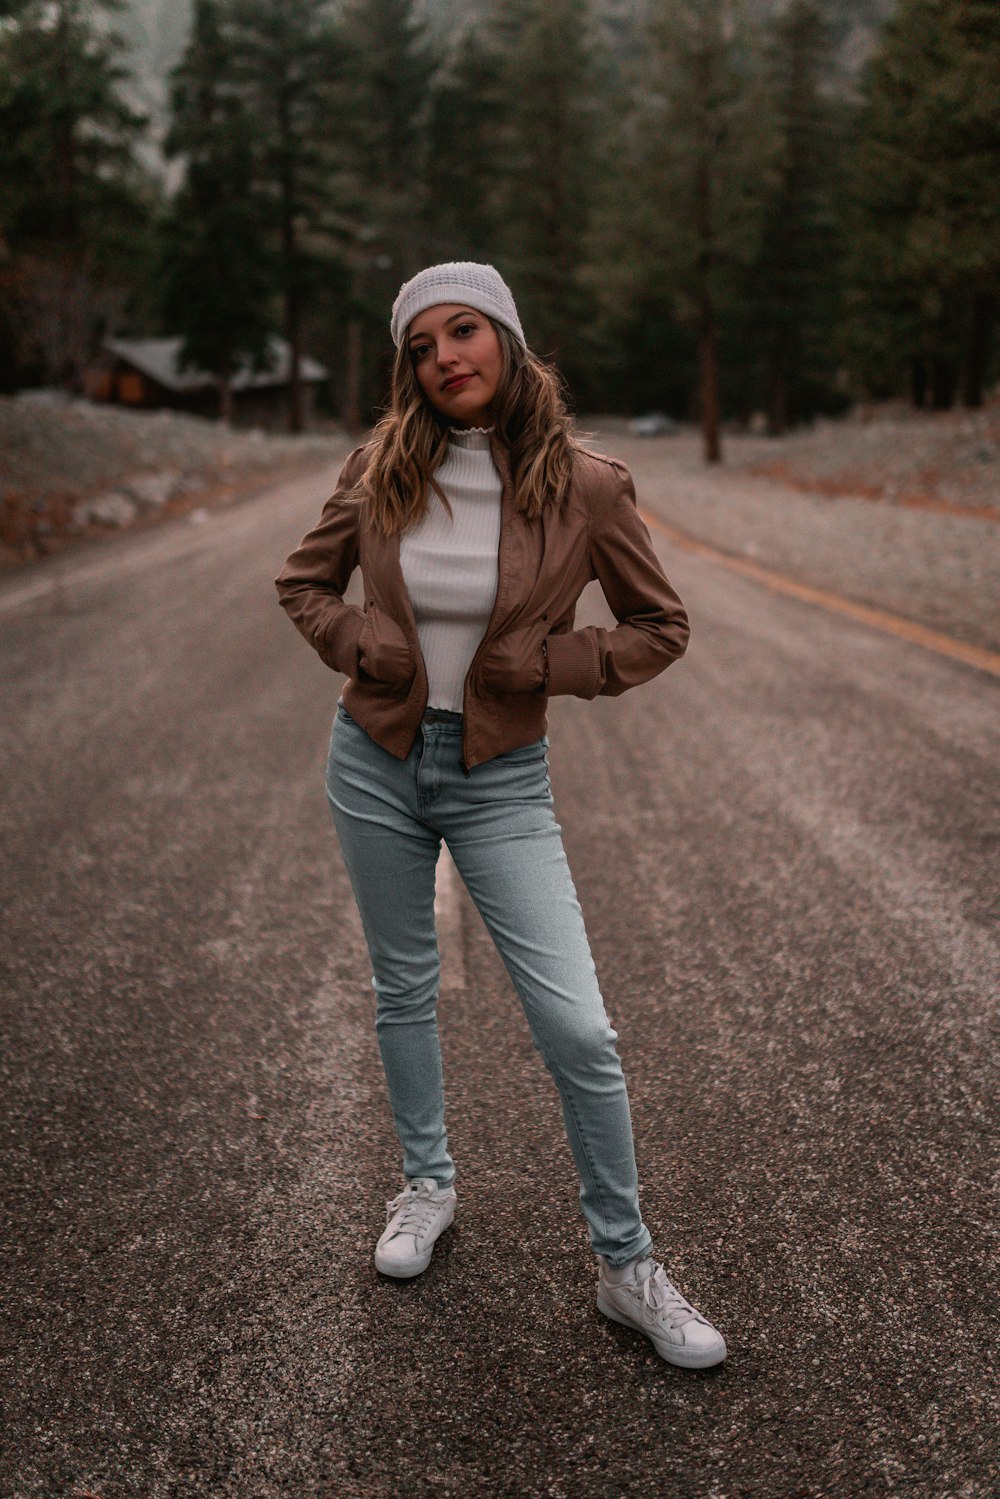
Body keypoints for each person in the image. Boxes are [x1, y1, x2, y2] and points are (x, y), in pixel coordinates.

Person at [274, 261, 727, 1370]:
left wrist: (554, 657)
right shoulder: (378, 466)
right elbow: (304, 583)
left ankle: (627, 1265)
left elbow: (658, 624)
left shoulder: (587, 484)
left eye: (464, 331)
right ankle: (426, 1183)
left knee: (579, 1025)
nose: (445, 358)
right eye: (422, 346)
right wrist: (357, 640)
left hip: (501, 777)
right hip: (374, 758)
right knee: (404, 985)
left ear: (509, 339)